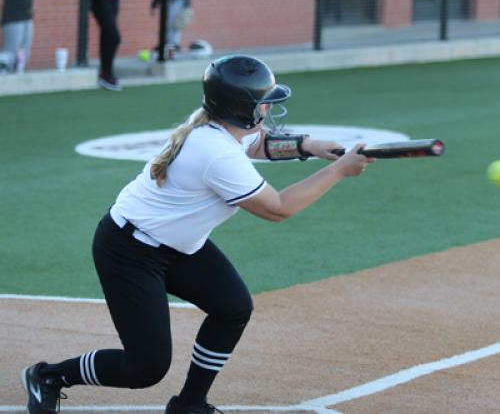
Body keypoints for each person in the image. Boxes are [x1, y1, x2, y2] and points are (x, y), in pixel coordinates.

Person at [21, 55, 374, 414]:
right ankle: (48, 376)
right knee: (146, 368)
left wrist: (309, 146)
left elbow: (257, 144)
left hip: (175, 245)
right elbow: (277, 208)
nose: (269, 106)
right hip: (129, 251)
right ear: (243, 109)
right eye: (264, 101)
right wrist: (338, 172)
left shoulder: (215, 124)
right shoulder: (216, 154)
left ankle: (189, 405)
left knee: (233, 307)